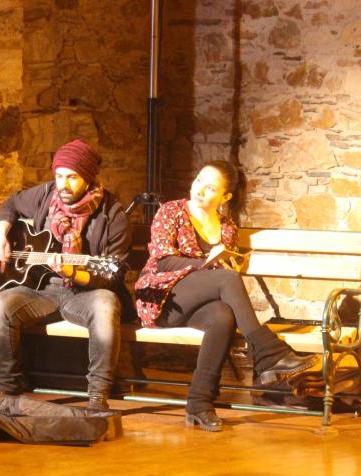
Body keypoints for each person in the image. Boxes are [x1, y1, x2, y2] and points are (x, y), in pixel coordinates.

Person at [134, 160, 319, 432]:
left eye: (210, 188)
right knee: (228, 279)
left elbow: (221, 276)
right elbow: (163, 262)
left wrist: (228, 263)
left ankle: (199, 403)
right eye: (199, 180)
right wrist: (206, 264)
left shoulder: (226, 227)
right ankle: (268, 354)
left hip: (197, 304)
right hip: (163, 299)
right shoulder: (171, 211)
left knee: (223, 316)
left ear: (225, 197)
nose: (199, 190)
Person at [0, 139, 133, 410]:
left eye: (72, 177)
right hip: (42, 291)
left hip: (85, 293)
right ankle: (9, 392)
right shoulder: (46, 195)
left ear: (88, 178)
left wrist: (72, 272)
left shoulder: (114, 215)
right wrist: (0, 236)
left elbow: (112, 277)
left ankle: (97, 397)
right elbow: (11, 204)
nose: (63, 185)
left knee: (106, 304)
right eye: (59, 176)